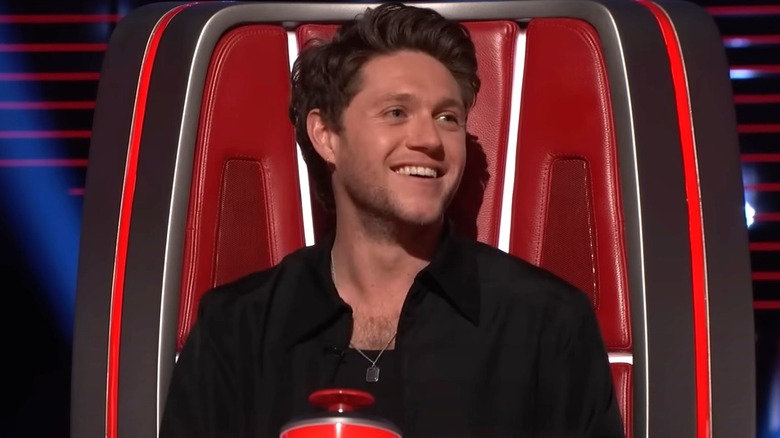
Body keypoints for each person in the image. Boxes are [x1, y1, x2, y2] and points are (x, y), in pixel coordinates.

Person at [160, 3, 625, 437]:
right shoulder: (235, 330)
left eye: (448, 117)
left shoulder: (547, 325)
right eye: (396, 112)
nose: (429, 139)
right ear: (326, 136)